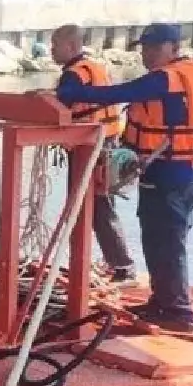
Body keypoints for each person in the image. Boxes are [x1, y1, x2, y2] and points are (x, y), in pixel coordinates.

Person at [54, 22, 193, 333]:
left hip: (173, 173)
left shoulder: (166, 80)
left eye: (155, 48)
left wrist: (72, 93)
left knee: (168, 241)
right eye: (144, 48)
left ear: (173, 48)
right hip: (171, 170)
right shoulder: (191, 73)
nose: (147, 54)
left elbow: (120, 93)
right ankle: (162, 301)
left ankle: (179, 311)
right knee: (156, 238)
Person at [50, 24, 136, 284]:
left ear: (71, 46)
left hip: (90, 148)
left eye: (56, 46)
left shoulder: (74, 75)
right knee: (97, 207)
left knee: (94, 208)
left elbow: (59, 106)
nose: (51, 51)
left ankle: (120, 266)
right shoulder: (95, 68)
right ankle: (94, 263)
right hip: (105, 143)